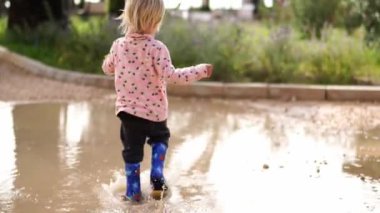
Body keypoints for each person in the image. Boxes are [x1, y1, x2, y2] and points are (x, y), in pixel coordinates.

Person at [102, 0, 213, 202]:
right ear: (156, 19)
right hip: (155, 113)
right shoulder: (157, 48)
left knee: (132, 152)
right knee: (160, 140)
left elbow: (107, 68)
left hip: (128, 113)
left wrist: (110, 60)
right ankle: (157, 179)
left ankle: (134, 192)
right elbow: (173, 76)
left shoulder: (118, 46)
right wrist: (200, 70)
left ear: (128, 16)